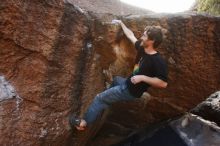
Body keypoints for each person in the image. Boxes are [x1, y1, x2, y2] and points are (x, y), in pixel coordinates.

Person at [69, 20, 168, 131]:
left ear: (152, 41)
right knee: (116, 80)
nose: (141, 37)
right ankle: (108, 99)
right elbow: (131, 36)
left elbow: (163, 83)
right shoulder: (142, 48)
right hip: (127, 83)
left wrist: (143, 77)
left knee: (99, 98)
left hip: (129, 91)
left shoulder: (157, 61)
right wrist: (121, 23)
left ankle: (83, 124)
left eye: (144, 35)